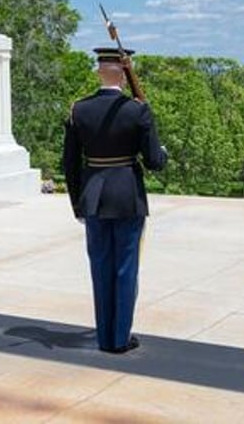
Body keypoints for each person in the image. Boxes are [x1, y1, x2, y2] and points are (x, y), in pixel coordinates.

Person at [63, 47, 168, 354]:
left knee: (100, 267)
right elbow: (153, 161)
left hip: (93, 196)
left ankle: (103, 336)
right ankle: (119, 339)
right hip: (127, 197)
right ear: (123, 73)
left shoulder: (78, 109)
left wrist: (77, 204)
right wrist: (161, 151)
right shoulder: (138, 110)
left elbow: (69, 164)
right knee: (125, 267)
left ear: (99, 72)